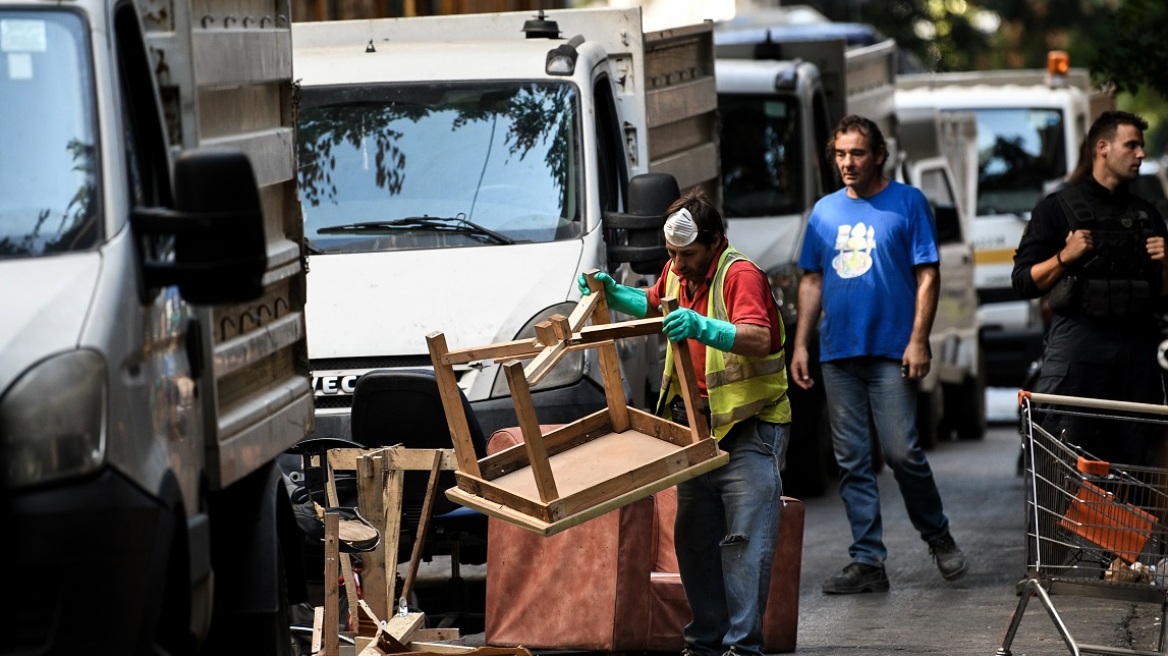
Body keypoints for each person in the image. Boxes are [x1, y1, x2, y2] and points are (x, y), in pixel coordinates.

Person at [578, 190, 791, 656]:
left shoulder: (741, 276)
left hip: (749, 430)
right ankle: (705, 643)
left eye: (687, 254)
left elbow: (758, 337)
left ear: (716, 241)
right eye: (671, 253)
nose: (676, 263)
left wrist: (704, 327)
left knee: (743, 545)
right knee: (694, 542)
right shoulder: (678, 269)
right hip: (697, 431)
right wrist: (616, 296)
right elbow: (658, 304)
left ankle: (742, 647)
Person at [790, 114, 967, 595]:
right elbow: (812, 279)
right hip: (837, 353)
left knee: (902, 452)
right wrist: (802, 344)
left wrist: (919, 338)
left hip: (891, 351)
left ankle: (938, 535)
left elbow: (928, 274)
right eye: (841, 154)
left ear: (879, 156)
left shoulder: (908, 203)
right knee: (852, 461)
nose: (848, 163)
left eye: (858, 154)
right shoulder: (824, 212)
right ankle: (868, 562)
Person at [1011, 110, 1168, 465]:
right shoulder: (1057, 208)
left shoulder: (1148, 215)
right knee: (1066, 458)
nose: (1141, 154)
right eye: (1131, 146)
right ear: (1102, 148)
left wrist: (1167, 262)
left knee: (1138, 462)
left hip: (1137, 351)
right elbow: (1023, 282)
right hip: (1079, 347)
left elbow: (1163, 294)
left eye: (1142, 147)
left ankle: (1134, 524)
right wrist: (1064, 257)